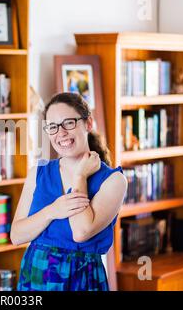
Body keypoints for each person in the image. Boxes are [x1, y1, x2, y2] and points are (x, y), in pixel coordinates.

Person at [10, 92, 127, 291]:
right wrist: (52, 211)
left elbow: (81, 232)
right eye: (53, 127)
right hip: (37, 275)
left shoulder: (114, 180)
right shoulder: (38, 174)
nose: (61, 133)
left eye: (69, 123)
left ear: (88, 123)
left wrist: (80, 176)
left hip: (83, 277)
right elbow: (17, 235)